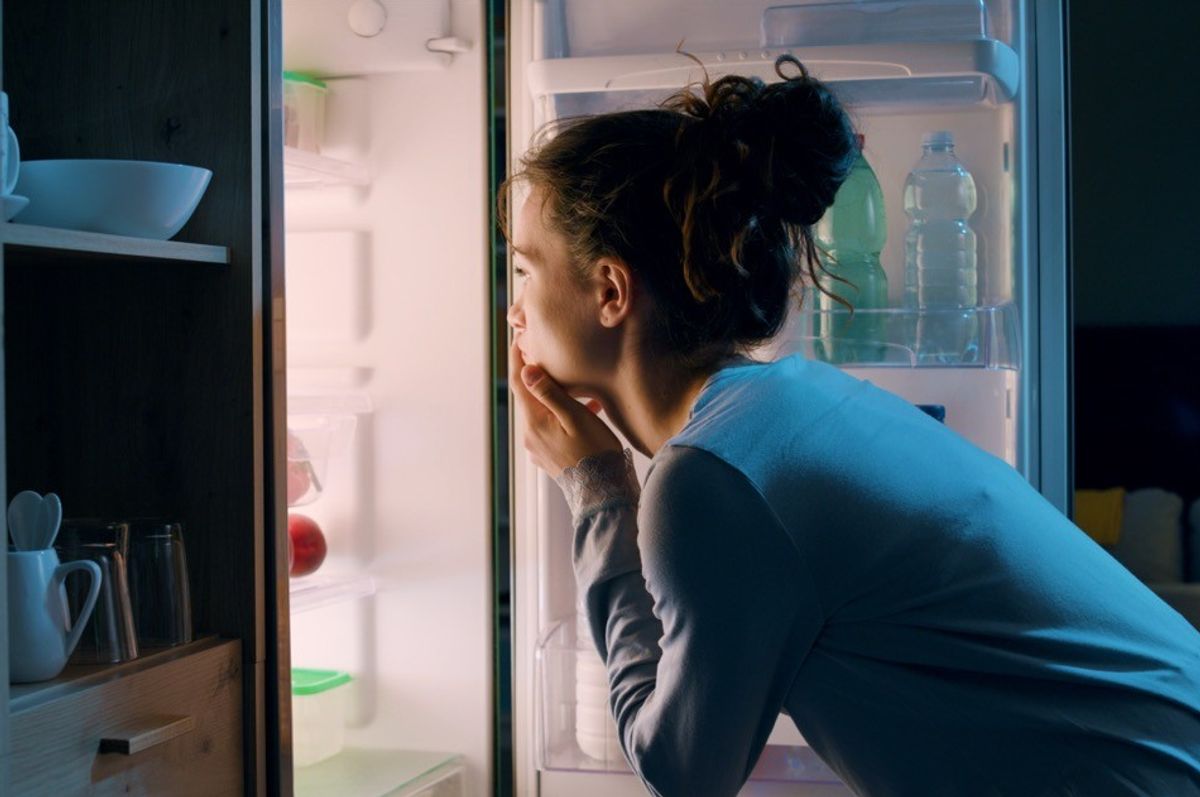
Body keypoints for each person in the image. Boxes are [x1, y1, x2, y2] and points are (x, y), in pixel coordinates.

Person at [504, 55, 1200, 797]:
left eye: (523, 271)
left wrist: (599, 492)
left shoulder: (709, 480)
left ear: (611, 290)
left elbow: (683, 773)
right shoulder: (796, 397)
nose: (513, 311)